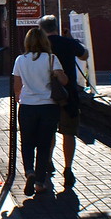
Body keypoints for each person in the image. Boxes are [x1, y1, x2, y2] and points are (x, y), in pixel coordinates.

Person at [13, 26, 67, 195]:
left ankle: (29, 171)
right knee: (44, 145)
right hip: (48, 106)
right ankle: (39, 182)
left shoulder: (20, 60)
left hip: (27, 106)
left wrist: (20, 97)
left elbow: (17, 87)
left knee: (27, 142)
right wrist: (57, 75)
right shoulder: (51, 59)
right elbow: (64, 81)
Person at [39, 14, 89, 189]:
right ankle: (68, 169)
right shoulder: (68, 43)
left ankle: (49, 161)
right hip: (68, 95)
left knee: (49, 132)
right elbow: (85, 55)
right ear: (56, 26)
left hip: (47, 96)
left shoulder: (40, 46)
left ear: (42, 29)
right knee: (69, 133)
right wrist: (72, 41)